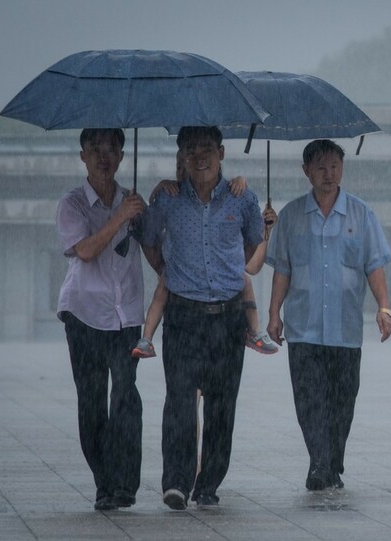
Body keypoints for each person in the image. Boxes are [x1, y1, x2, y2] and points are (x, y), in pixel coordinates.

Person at [142, 126, 264, 510]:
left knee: (221, 405)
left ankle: (208, 483)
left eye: (207, 148)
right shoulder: (168, 199)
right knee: (179, 401)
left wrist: (231, 273)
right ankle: (176, 481)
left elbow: (253, 241)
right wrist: (166, 269)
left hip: (228, 319)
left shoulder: (242, 199)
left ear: (222, 152)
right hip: (183, 315)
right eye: (191, 149)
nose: (200, 156)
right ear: (182, 156)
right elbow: (147, 237)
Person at [266, 139, 391, 491]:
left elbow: (375, 266)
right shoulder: (291, 216)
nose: (329, 173)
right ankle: (320, 465)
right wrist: (274, 315)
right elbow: (282, 270)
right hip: (304, 327)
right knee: (309, 401)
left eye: (335, 165)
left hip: (345, 329)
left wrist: (384, 307)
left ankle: (331, 460)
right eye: (320, 166)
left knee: (341, 403)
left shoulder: (361, 214)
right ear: (306, 170)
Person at [55, 128, 145, 511]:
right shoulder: (72, 204)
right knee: (92, 402)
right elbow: (86, 251)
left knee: (126, 397)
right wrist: (119, 217)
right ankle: (104, 482)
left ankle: (125, 483)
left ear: (123, 156)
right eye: (95, 150)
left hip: (126, 314)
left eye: (111, 149)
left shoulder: (134, 202)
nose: (103, 157)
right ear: (82, 156)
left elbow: (156, 247)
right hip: (85, 313)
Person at [131, 152, 278, 358]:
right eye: (180, 167)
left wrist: (263, 229)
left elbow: (251, 265)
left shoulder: (233, 197)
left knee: (244, 280)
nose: (183, 171)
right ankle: (146, 338)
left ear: (220, 155)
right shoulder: (171, 197)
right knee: (162, 290)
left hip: (219, 291)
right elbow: (150, 233)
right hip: (180, 280)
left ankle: (255, 331)